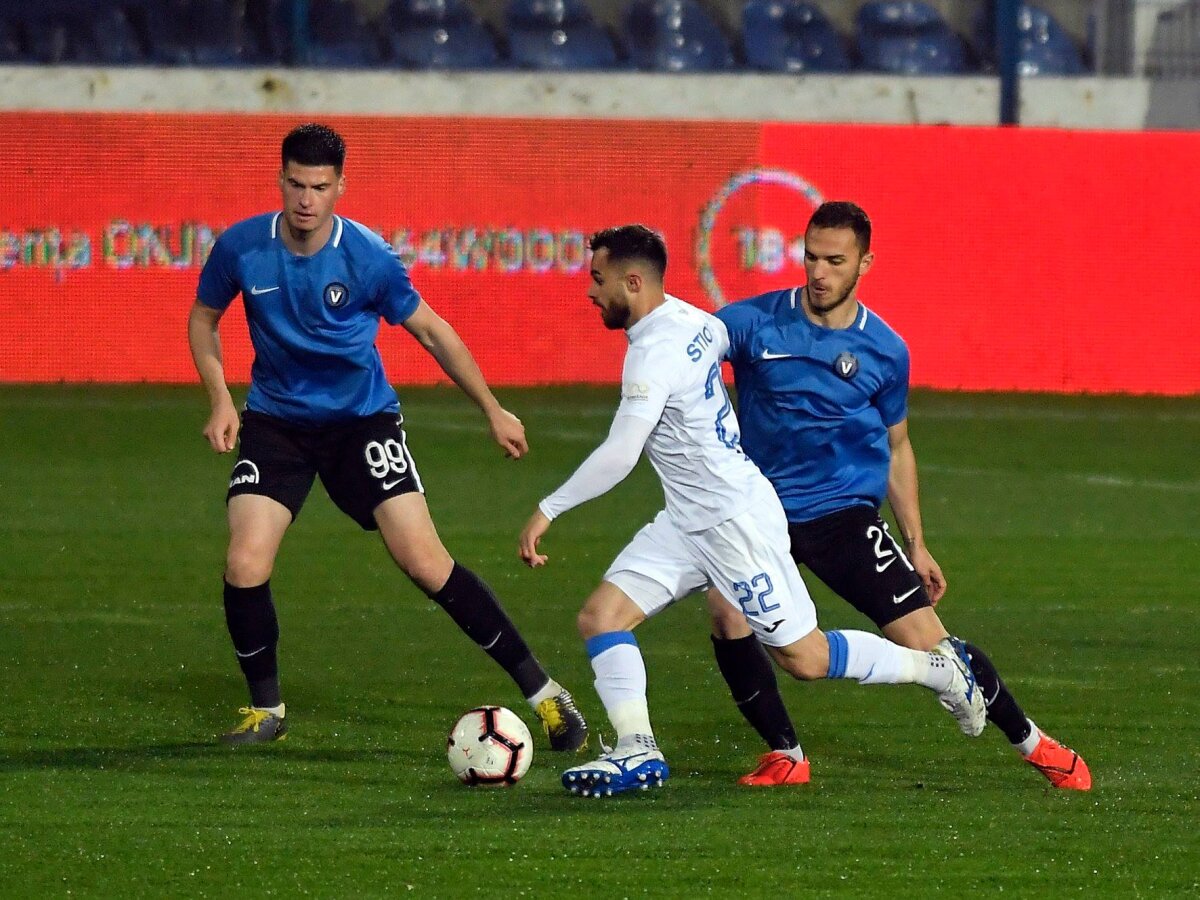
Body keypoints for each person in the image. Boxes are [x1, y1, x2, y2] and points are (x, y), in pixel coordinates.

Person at [518, 224, 985, 798]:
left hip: (734, 521)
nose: (590, 291)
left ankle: (935, 669)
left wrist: (548, 509)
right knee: (600, 619)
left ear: (632, 282)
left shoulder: (655, 354)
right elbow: (721, 348)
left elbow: (620, 453)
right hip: (689, 516)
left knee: (806, 658)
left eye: (598, 279)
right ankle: (638, 750)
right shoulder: (695, 322)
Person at [187, 122, 586, 751]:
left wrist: (492, 408)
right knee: (244, 561)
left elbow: (431, 330)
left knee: (426, 564)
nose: (306, 199)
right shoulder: (241, 247)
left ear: (340, 187)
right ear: (280, 179)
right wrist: (219, 399)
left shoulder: (368, 257)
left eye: (320, 186)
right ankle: (266, 710)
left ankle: (544, 694)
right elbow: (205, 318)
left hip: (361, 423)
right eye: (296, 183)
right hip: (277, 424)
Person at [708, 200, 1090, 790]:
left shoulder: (885, 350)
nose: (818, 272)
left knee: (933, 643)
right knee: (726, 614)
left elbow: (899, 446)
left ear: (865, 262)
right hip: (760, 516)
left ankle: (1035, 743)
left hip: (843, 517)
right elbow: (688, 351)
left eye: (835, 261)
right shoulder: (752, 323)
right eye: (810, 257)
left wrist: (918, 544)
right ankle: (786, 753)